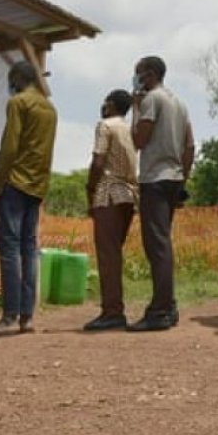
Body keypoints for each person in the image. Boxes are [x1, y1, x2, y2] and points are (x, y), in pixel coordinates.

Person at [0, 61, 57, 337]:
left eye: (11, 80)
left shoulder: (18, 103)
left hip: (14, 185)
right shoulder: (49, 108)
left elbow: (9, 147)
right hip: (36, 187)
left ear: (17, 78)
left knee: (10, 252)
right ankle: (27, 318)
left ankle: (8, 316)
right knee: (29, 250)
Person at [127, 56, 194, 332]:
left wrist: (135, 108)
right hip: (173, 179)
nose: (136, 77)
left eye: (139, 73)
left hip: (154, 179)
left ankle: (160, 310)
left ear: (150, 74)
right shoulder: (179, 103)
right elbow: (190, 146)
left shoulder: (151, 100)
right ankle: (169, 305)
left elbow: (138, 140)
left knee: (157, 246)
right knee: (163, 243)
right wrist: (182, 180)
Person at [83, 90, 138, 331]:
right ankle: (114, 309)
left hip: (108, 194)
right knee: (114, 253)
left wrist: (90, 188)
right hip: (129, 196)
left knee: (107, 256)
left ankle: (112, 311)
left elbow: (98, 162)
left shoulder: (105, 126)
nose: (102, 105)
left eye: (105, 101)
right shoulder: (129, 129)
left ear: (111, 105)